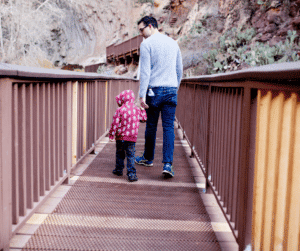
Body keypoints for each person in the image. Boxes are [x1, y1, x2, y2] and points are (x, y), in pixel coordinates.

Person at [135, 16, 183, 178]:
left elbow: (145, 72)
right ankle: (168, 165)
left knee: (151, 126)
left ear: (150, 26)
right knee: (169, 127)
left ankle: (148, 158)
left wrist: (141, 95)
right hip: (171, 90)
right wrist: (175, 88)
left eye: (141, 29)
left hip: (154, 91)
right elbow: (179, 70)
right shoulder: (172, 43)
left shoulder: (146, 44)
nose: (141, 33)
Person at [108, 90, 147, 182]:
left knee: (120, 154)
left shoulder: (120, 109)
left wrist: (111, 135)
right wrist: (143, 110)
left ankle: (119, 170)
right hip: (132, 138)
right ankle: (131, 174)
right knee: (131, 155)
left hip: (120, 137)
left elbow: (115, 123)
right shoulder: (136, 109)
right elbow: (144, 119)